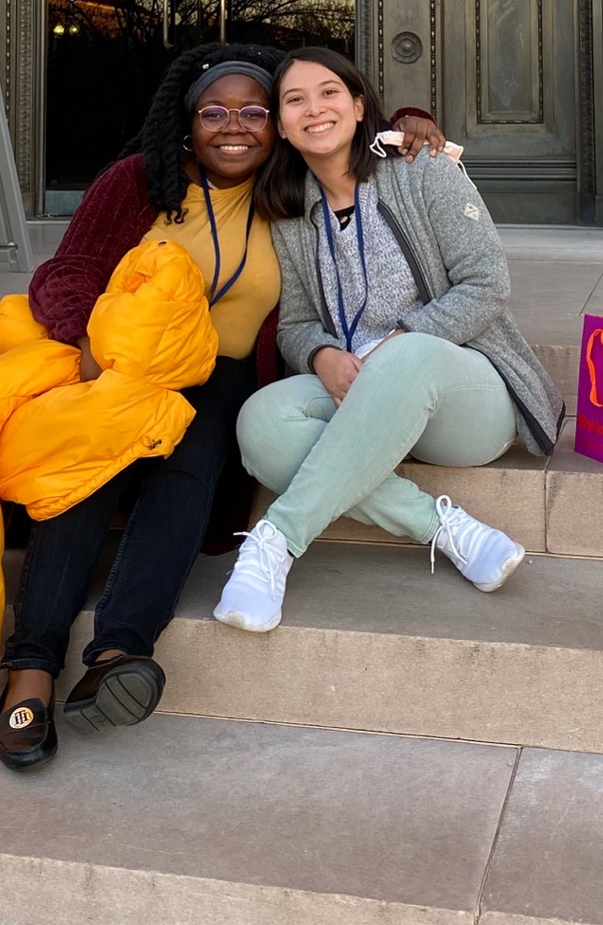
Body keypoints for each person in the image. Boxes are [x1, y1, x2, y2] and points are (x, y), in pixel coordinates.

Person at [0, 41, 442, 769]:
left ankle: (118, 651)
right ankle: (32, 666)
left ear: (278, 126)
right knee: (86, 468)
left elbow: (356, 133)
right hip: (123, 370)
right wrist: (86, 342)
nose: (233, 126)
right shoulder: (138, 181)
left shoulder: (290, 185)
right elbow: (67, 269)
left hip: (227, 374)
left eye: (255, 111)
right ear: (186, 120)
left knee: (197, 449)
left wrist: (412, 122)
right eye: (214, 112)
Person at [213, 48, 565, 635]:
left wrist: (394, 345)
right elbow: (297, 323)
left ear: (357, 106)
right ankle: (445, 528)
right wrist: (321, 355)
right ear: (280, 122)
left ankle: (276, 541)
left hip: (463, 394)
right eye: (294, 100)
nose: (314, 109)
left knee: (409, 353)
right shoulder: (291, 211)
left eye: (329, 93)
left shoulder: (422, 170)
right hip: (363, 397)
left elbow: (487, 284)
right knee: (261, 422)